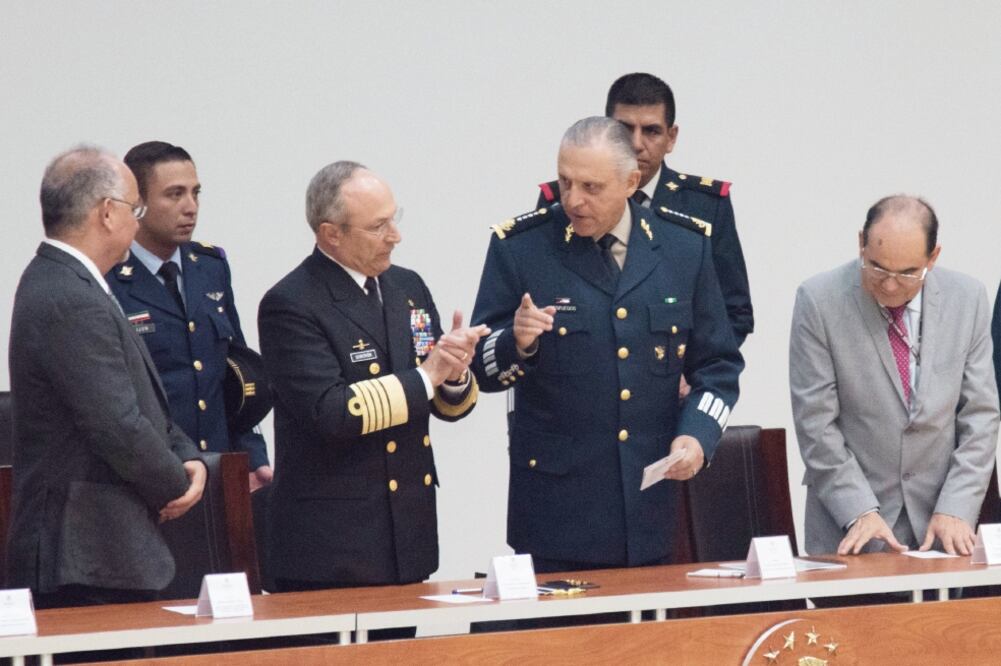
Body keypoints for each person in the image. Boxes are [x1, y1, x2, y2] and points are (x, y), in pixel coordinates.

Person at [470, 117, 743, 573]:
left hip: (649, 512)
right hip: (555, 515)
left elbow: (717, 365)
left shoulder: (683, 248)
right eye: (565, 181)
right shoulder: (521, 249)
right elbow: (479, 368)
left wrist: (697, 435)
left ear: (631, 182)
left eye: (591, 187)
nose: (573, 200)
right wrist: (517, 344)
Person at [258, 161, 486, 591]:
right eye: (378, 226)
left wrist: (453, 374)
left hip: (406, 533)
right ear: (332, 234)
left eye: (394, 220)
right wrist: (428, 375)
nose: (395, 236)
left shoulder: (407, 287)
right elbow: (333, 412)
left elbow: (440, 401)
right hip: (332, 546)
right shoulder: (292, 303)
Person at [7, 146, 206, 608]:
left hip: (100, 549)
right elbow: (116, 422)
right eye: (135, 208)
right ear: (107, 213)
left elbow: (139, 401)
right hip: (83, 552)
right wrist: (177, 482)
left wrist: (186, 454)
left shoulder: (69, 282)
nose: (138, 222)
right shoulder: (67, 294)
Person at [790, 195, 999, 558]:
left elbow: (980, 415)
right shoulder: (819, 301)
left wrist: (956, 506)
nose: (889, 285)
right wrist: (858, 509)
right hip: (850, 528)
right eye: (877, 268)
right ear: (861, 243)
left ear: (933, 258)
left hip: (941, 529)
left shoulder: (967, 299)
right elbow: (816, 424)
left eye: (906, 273)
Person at [536, 72, 753, 352]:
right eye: (624, 129)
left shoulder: (705, 206)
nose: (637, 144)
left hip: (673, 384)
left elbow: (734, 312)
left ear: (671, 137)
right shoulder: (565, 201)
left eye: (651, 131)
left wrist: (693, 373)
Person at [107, 141, 271, 490]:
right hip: (156, 475)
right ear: (137, 203)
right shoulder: (108, 278)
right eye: (174, 195)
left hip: (220, 466)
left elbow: (235, 373)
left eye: (195, 193)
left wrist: (253, 456)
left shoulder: (209, 267)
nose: (191, 207)